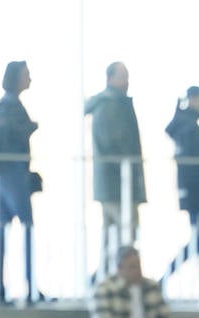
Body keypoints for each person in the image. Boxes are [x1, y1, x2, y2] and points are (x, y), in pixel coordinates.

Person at [0, 61, 40, 306]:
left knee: (4, 231)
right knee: (26, 227)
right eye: (26, 74)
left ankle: (3, 289)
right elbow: (13, 137)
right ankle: (29, 289)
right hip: (12, 175)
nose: (30, 78)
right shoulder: (11, 107)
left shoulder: (5, 107)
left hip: (1, 176)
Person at [86, 62, 146, 279]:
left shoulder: (114, 104)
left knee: (115, 234)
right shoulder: (110, 106)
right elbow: (114, 144)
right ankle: (113, 277)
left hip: (117, 182)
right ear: (110, 78)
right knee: (123, 232)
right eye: (123, 77)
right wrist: (127, 174)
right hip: (117, 183)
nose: (127, 82)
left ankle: (105, 275)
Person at [161, 85, 199, 297]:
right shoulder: (189, 128)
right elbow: (191, 166)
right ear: (194, 100)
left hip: (193, 194)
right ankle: (172, 277)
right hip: (197, 194)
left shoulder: (185, 126)